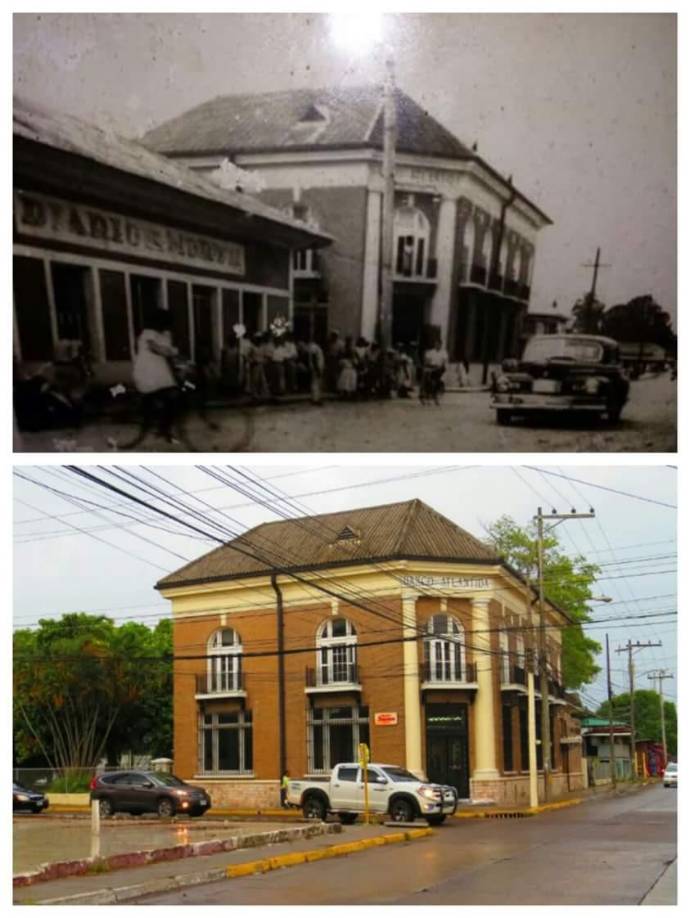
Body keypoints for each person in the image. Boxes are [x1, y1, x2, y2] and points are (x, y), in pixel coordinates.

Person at [132, 308, 180, 441]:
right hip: (148, 370)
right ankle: (158, 426)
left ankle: (160, 427)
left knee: (169, 398)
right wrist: (171, 352)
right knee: (166, 396)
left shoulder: (164, 334)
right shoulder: (148, 333)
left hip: (159, 371)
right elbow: (158, 349)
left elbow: (167, 351)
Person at [421, 336, 448, 405]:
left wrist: (439, 367)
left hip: (439, 368)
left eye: (438, 344)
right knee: (426, 375)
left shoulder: (444, 353)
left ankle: (434, 396)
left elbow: (444, 363)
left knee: (435, 379)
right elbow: (427, 361)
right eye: (436, 344)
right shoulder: (431, 352)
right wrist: (428, 365)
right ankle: (425, 395)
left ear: (441, 345)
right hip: (431, 367)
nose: (437, 345)